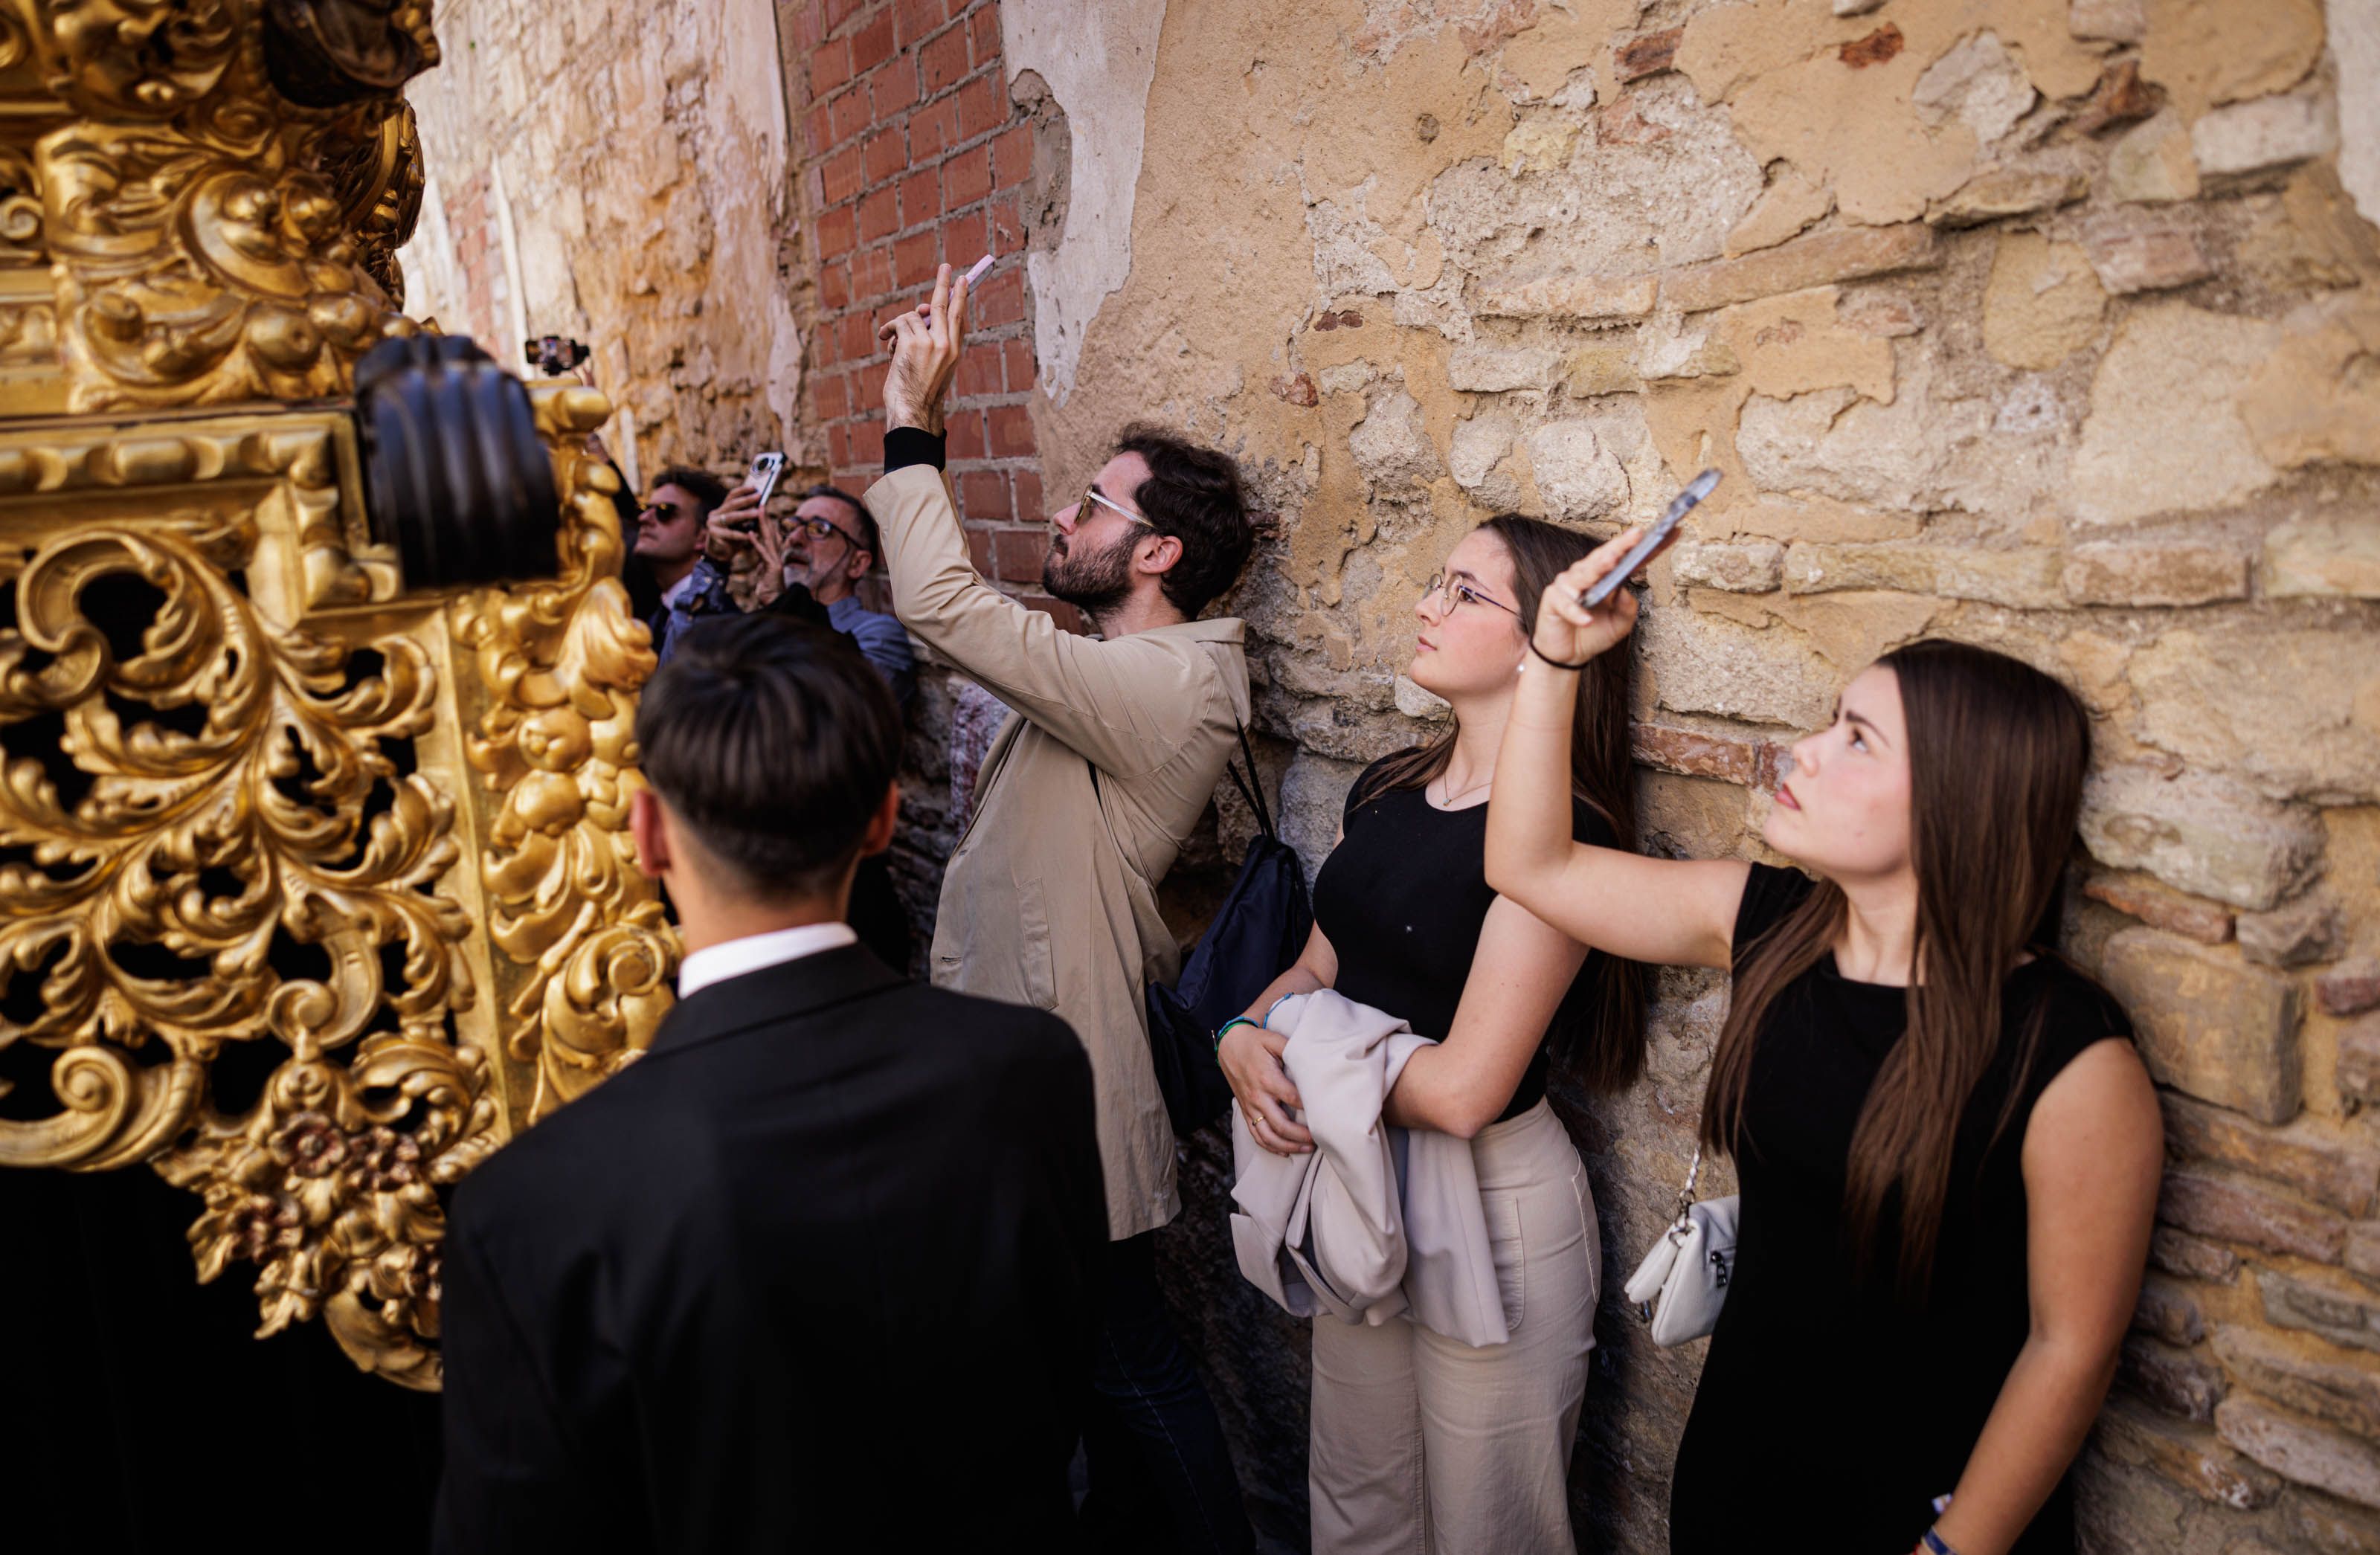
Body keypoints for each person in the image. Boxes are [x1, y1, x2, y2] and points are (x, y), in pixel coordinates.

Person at [1482, 531, 2163, 1555]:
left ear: (1958, 798)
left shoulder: (2066, 1054)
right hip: (1736, 1483)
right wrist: (1554, 658)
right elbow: (1530, 862)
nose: (1801, 749)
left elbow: (2072, 1345)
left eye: (1855, 737)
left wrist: (1952, 1548)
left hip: (1921, 1517)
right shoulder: (1769, 925)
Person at [434, 613, 1107, 1555]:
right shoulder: (1028, 1067)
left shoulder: (530, 1201)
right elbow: (1057, 1377)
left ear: (647, 833)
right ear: (881, 820)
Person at [870, 264, 1258, 1554]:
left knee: (1126, 1354)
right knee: (1100, 1356)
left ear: (1157, 554)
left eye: (1093, 504)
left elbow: (938, 607)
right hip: (1028, 1077)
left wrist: (917, 425)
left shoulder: (1174, 684)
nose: (1061, 515)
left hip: (1065, 1084)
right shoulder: (1109, 672)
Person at [1219, 515, 1642, 1555]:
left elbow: (1465, 1088)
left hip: (1491, 1205)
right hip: (1355, 1176)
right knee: (1360, 1503)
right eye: (1434, 581)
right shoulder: (1388, 786)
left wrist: (1302, 1051)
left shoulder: (1564, 835)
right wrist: (1242, 1029)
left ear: (1545, 636)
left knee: (1490, 1527)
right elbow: (1319, 968)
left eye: (1462, 591)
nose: (1425, 604)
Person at [713, 479, 917, 709]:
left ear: (857, 564)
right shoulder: (767, 617)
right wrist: (716, 563)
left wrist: (783, 605)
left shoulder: (877, 635)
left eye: (819, 529)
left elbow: (843, 713)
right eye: (791, 526)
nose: (794, 539)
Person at [633, 465, 733, 665]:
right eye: (644, 509)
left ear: (703, 537)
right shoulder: (656, 616)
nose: (644, 518)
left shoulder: (719, 627)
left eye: (664, 512)